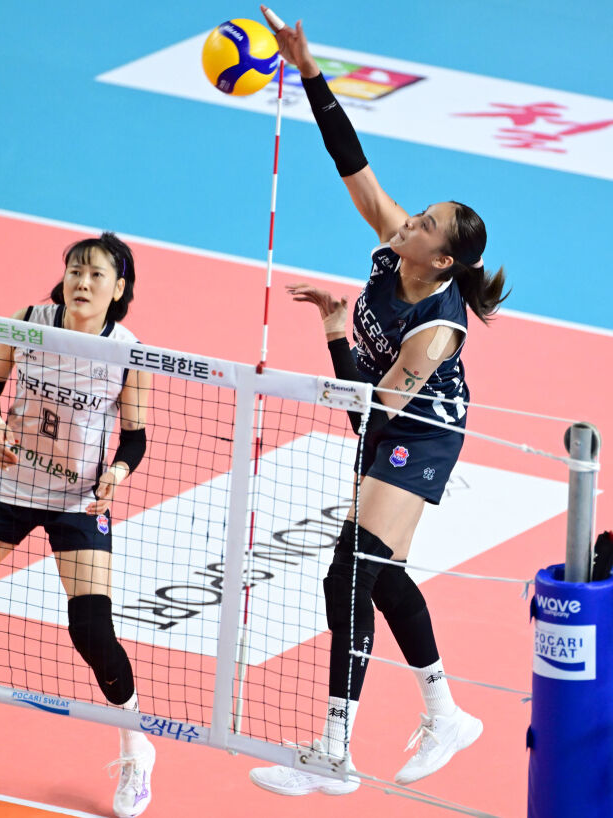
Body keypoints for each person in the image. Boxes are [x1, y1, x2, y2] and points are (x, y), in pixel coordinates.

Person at [250, 7, 508, 796]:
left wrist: (335, 333)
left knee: (350, 573)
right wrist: (309, 70)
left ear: (444, 259)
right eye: (418, 214)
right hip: (386, 417)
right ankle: (446, 715)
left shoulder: (436, 333)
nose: (408, 220)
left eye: (425, 224)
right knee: (375, 575)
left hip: (420, 431)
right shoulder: (397, 248)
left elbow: (372, 414)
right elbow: (351, 161)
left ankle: (335, 754)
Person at [0, 233, 155, 818]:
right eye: (76, 270)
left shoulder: (128, 353)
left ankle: (135, 748)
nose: (82, 281)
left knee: (92, 630)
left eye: (96, 274)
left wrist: (117, 474)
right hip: (9, 488)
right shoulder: (28, 322)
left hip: (78, 500)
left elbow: (134, 437)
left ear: (118, 288)